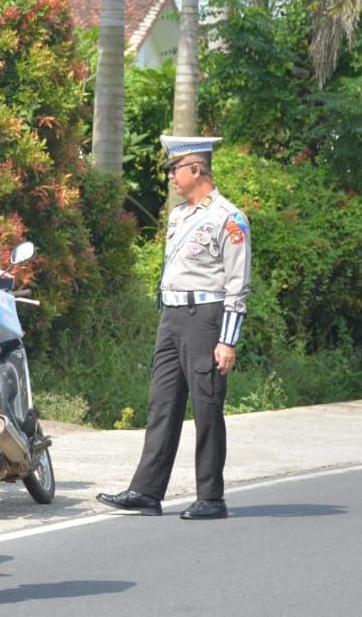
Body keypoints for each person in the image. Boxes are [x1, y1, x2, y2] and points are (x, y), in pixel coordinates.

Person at [97, 135, 250, 521]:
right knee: (162, 403)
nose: (170, 177)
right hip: (172, 317)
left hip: (206, 317)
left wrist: (227, 340)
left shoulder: (228, 219)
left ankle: (211, 496)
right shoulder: (180, 214)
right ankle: (147, 491)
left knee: (206, 406)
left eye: (174, 169)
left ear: (196, 169)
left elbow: (236, 285)